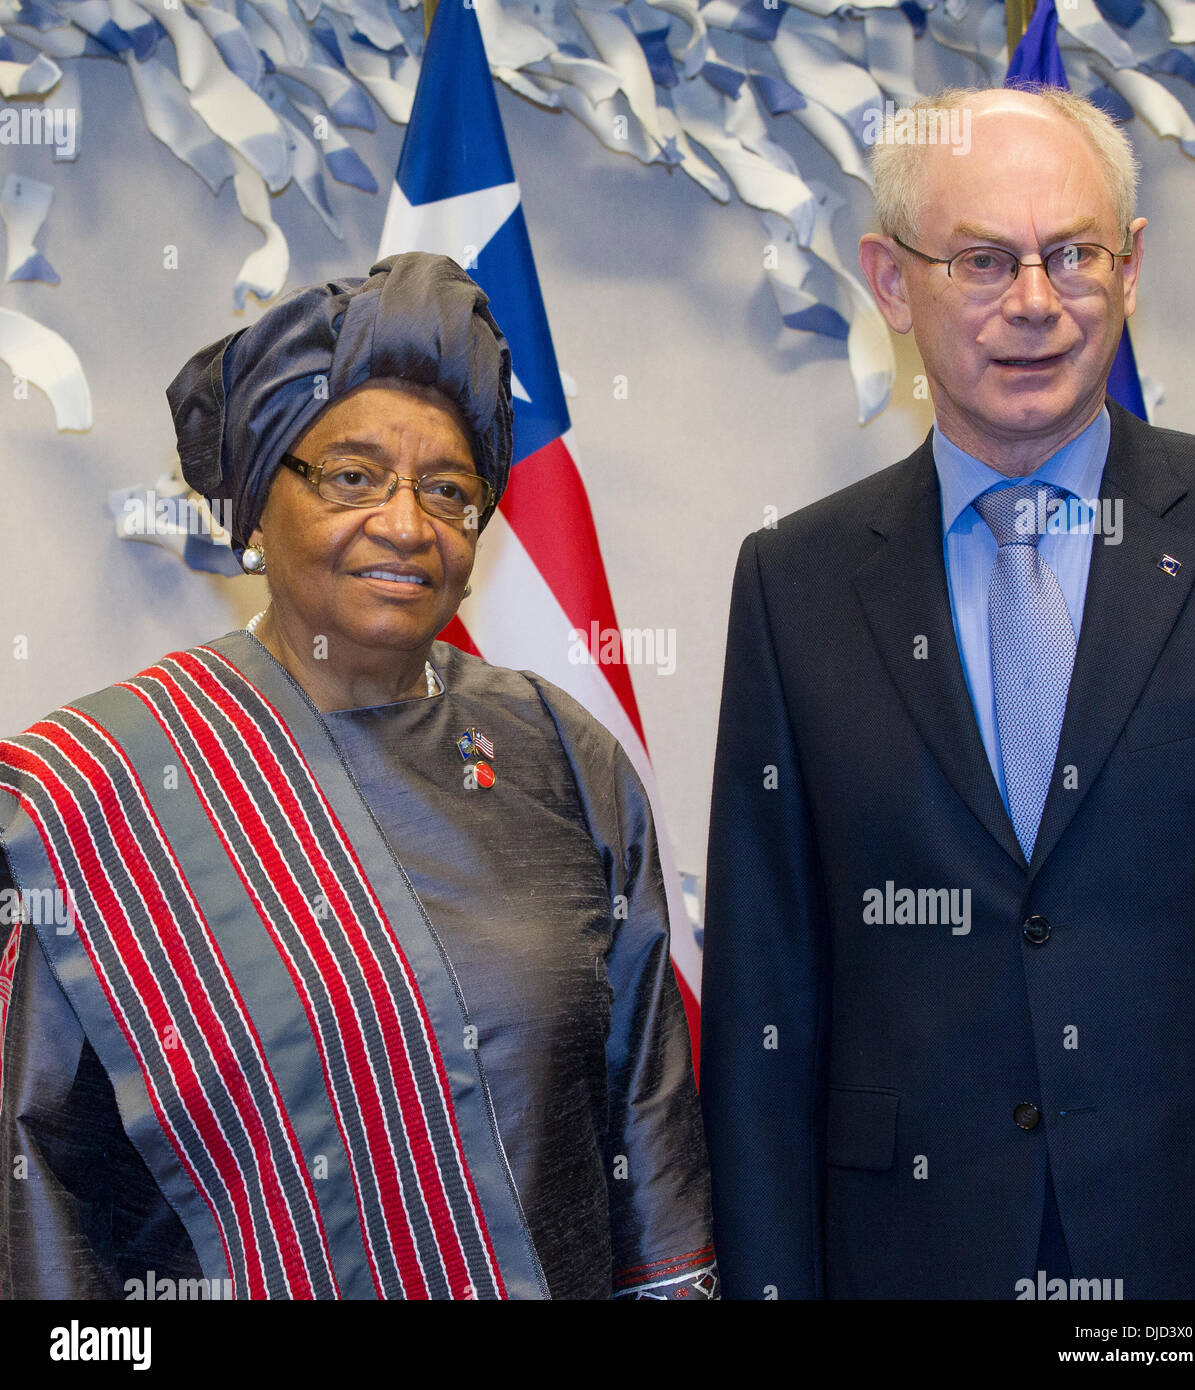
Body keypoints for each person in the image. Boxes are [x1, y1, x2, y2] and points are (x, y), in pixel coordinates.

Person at [0, 253, 716, 1301]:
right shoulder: (86, 797)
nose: (406, 524)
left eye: (449, 490)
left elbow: (647, 1150)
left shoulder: (561, 757)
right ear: (256, 497)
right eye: (352, 477)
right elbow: (39, 1210)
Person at [700, 85, 1195, 1299]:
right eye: (985, 261)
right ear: (891, 284)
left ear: (1134, 266)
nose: (1036, 304)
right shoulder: (795, 582)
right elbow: (764, 999)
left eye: (1072, 256)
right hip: (911, 1252)